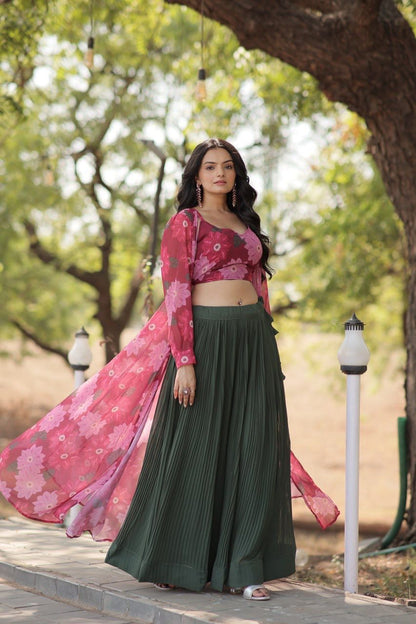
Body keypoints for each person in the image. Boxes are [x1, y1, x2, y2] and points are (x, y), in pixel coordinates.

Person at [0, 138, 339, 602]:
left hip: (253, 342)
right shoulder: (186, 223)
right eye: (210, 167)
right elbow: (177, 292)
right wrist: (185, 361)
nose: (220, 174)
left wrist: (268, 348)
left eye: (227, 167)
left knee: (256, 448)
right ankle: (173, 559)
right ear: (196, 177)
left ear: (237, 175)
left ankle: (245, 566)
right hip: (207, 340)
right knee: (195, 449)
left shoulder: (245, 223)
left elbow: (259, 285)